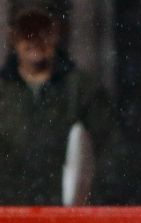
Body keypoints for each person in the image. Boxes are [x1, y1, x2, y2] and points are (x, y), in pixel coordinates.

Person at [0, 7, 127, 205]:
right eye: (27, 31)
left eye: (42, 31)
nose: (34, 40)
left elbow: (112, 146)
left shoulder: (81, 89)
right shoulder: (3, 90)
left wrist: (97, 204)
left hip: (65, 218)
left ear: (55, 34)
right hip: (8, 217)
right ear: (13, 37)